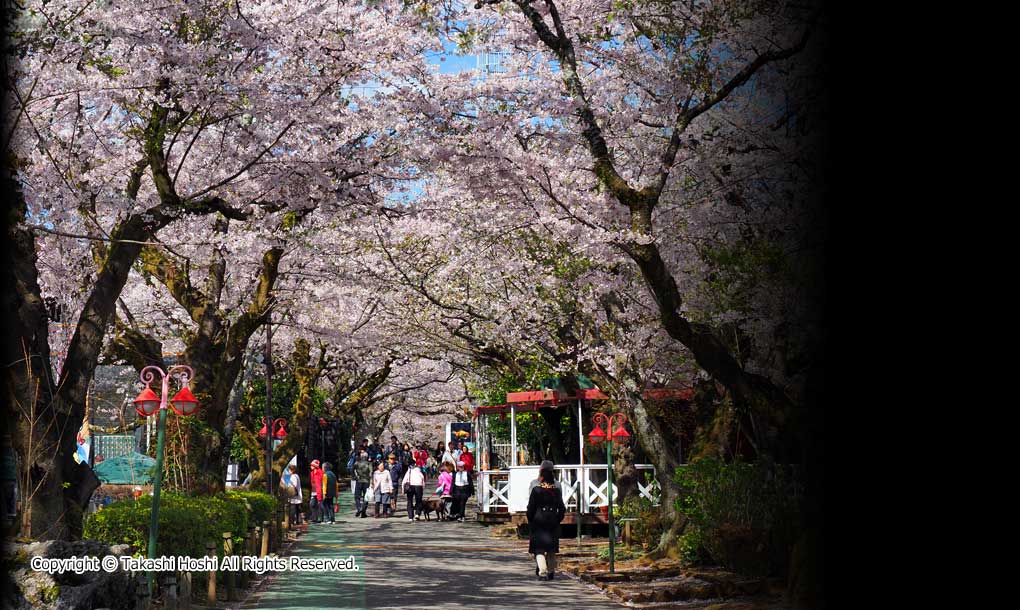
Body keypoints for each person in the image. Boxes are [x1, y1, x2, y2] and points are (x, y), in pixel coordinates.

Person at [527, 464, 566, 581]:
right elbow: (562, 508)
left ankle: (542, 571)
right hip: (552, 522)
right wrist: (557, 518)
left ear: (541, 477)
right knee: (551, 549)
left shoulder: (536, 490)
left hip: (538, 522)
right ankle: (551, 571)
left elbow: (531, 508)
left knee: (539, 549)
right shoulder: (557, 491)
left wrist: (530, 519)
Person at [353, 451, 372, 518]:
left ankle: (359, 508)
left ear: (361, 457)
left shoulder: (357, 463)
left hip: (359, 480)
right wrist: (371, 481)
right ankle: (363, 511)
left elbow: (352, 469)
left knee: (357, 496)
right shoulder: (369, 464)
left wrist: (355, 476)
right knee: (366, 497)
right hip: (366, 481)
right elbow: (371, 473)